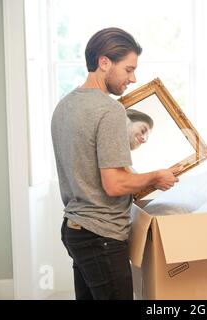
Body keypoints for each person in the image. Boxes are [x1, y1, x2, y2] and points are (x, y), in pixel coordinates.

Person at [51, 27, 179, 300]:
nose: (133, 78)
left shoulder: (63, 106)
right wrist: (156, 176)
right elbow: (114, 183)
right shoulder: (109, 110)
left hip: (75, 230)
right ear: (104, 62)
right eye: (129, 69)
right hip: (102, 236)